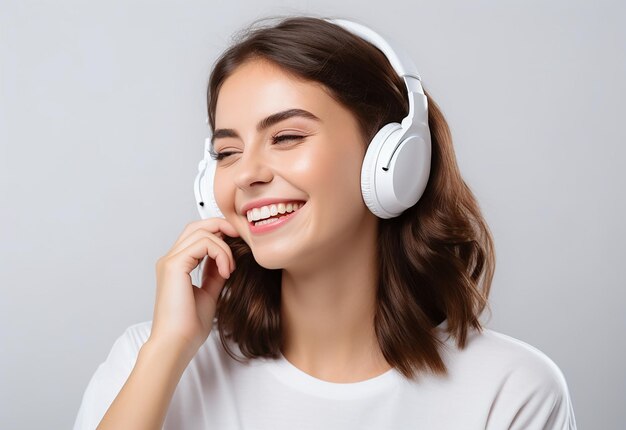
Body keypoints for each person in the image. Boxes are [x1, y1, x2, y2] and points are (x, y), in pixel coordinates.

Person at [73, 15, 578, 430]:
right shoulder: (151, 357)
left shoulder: (512, 391)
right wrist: (169, 350)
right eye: (227, 151)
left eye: (287, 137)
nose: (247, 174)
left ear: (392, 161)